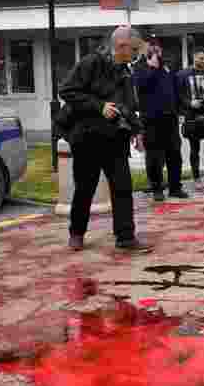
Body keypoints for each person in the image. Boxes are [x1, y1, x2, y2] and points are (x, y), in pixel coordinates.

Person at [59, 26, 150, 253]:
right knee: (85, 189)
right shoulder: (92, 63)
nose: (137, 54)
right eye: (134, 50)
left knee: (122, 188)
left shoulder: (125, 71)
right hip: (88, 138)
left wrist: (137, 131)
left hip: (115, 140)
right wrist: (99, 106)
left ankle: (125, 237)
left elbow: (128, 105)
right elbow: (67, 90)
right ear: (121, 45)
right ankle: (76, 233)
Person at [132, 37, 187, 202]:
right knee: (154, 156)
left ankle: (175, 187)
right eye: (152, 48)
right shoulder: (139, 66)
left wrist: (179, 109)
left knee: (174, 153)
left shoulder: (167, 66)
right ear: (145, 50)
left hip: (170, 118)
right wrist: (152, 68)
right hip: (151, 119)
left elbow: (175, 88)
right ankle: (156, 188)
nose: (156, 51)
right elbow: (140, 86)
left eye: (158, 48)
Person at [176, 49, 204, 189]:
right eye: (201, 58)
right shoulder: (183, 75)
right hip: (192, 117)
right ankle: (196, 177)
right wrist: (189, 103)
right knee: (195, 148)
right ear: (194, 57)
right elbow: (178, 96)